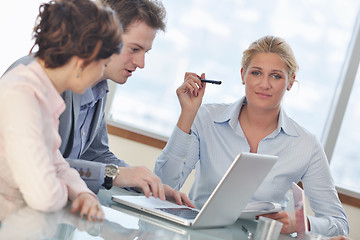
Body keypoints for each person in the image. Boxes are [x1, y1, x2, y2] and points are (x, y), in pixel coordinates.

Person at [4, 0, 193, 207]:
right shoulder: (38, 83)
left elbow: (95, 155)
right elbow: (44, 167)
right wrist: (112, 175)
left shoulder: (97, 87)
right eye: (134, 49)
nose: (141, 63)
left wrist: (141, 181)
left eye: (145, 52)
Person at [154, 35, 349, 237]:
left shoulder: (306, 145)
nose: (264, 84)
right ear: (243, 75)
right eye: (256, 73)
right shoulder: (205, 119)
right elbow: (162, 186)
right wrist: (187, 115)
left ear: (290, 81)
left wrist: (300, 222)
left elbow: (339, 223)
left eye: (276, 76)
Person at [0, 0, 122, 221]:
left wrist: (83, 193)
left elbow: (56, 161)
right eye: (102, 65)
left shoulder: (43, 92)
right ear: (80, 62)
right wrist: (68, 195)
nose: (101, 75)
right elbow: (44, 196)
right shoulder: (22, 95)